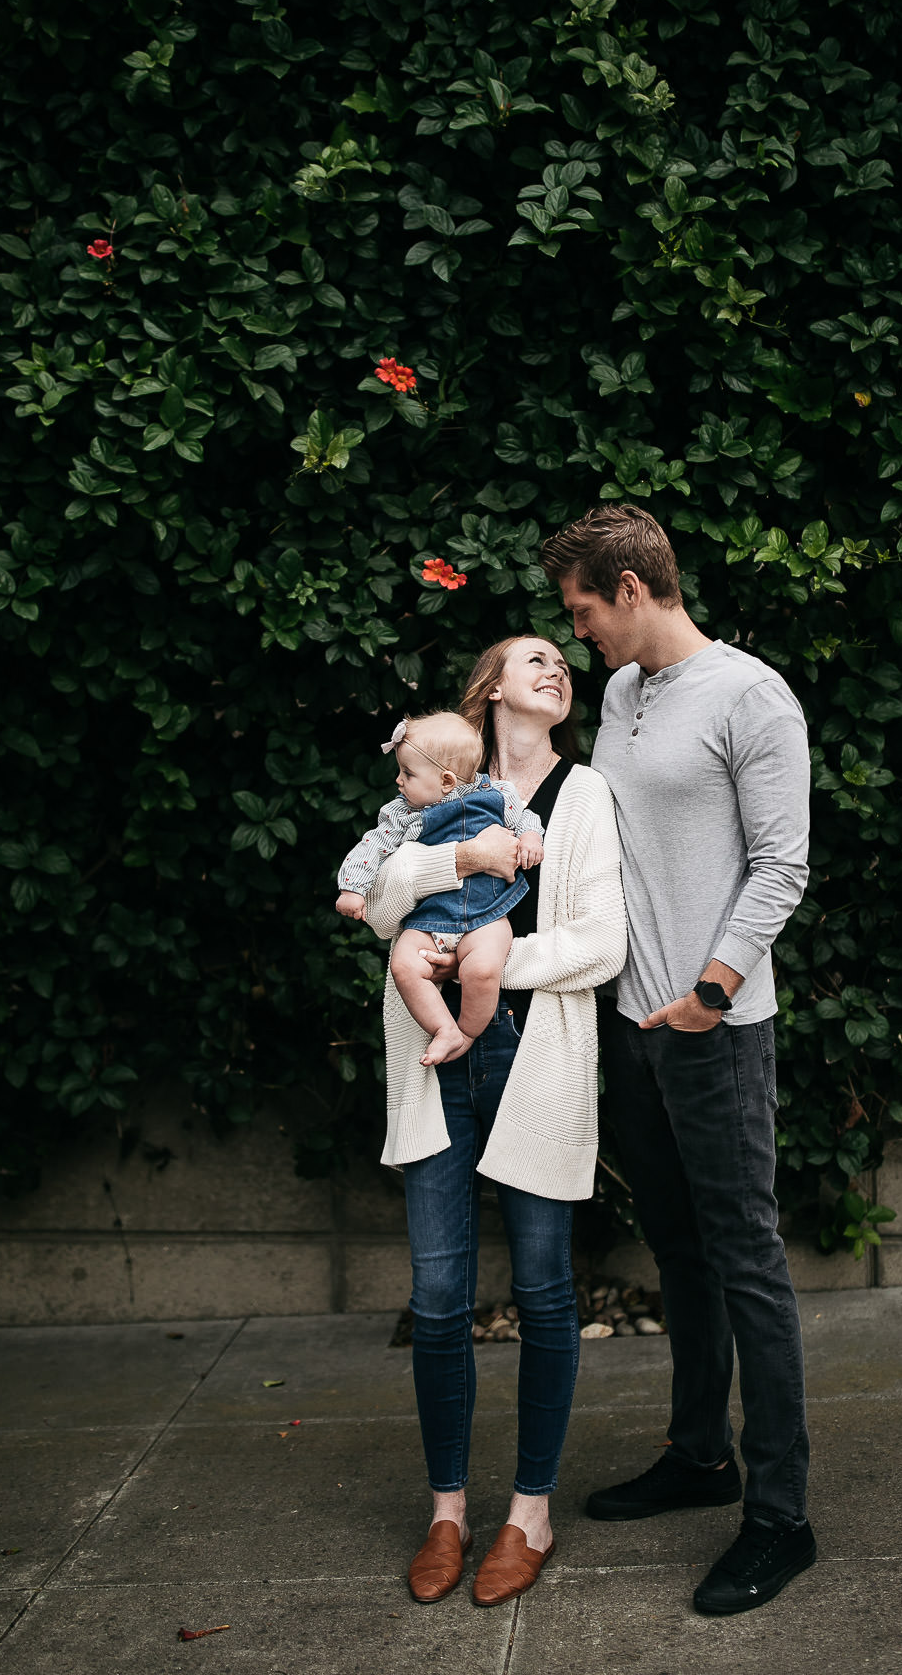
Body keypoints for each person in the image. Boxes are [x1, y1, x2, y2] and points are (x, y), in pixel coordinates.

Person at [540, 504, 816, 1618]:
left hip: (715, 1030)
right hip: (631, 1029)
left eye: (584, 610)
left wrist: (710, 992)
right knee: (681, 1251)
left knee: (748, 1259)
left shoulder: (751, 696)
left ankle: (781, 1516)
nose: (578, 633)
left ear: (633, 587)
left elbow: (782, 864)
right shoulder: (620, 694)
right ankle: (701, 1454)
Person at [354, 638, 626, 1607]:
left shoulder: (583, 794)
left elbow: (600, 944)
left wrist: (478, 961)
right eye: (534, 658)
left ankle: (531, 1513)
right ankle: (448, 1511)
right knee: (436, 1299)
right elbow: (381, 904)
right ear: (492, 688)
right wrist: (461, 859)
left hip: (533, 1053)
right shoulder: (435, 778)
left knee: (546, 1290)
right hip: (434, 1064)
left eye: (564, 661)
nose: (556, 670)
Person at [335, 711, 544, 1065]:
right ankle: (443, 1027)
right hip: (430, 919)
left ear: (447, 780)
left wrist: (529, 836)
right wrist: (353, 887)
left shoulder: (497, 793)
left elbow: (524, 816)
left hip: (487, 914)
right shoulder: (403, 814)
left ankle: (466, 1031)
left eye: (408, 773)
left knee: (481, 969)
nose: (399, 781)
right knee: (403, 964)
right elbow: (373, 846)